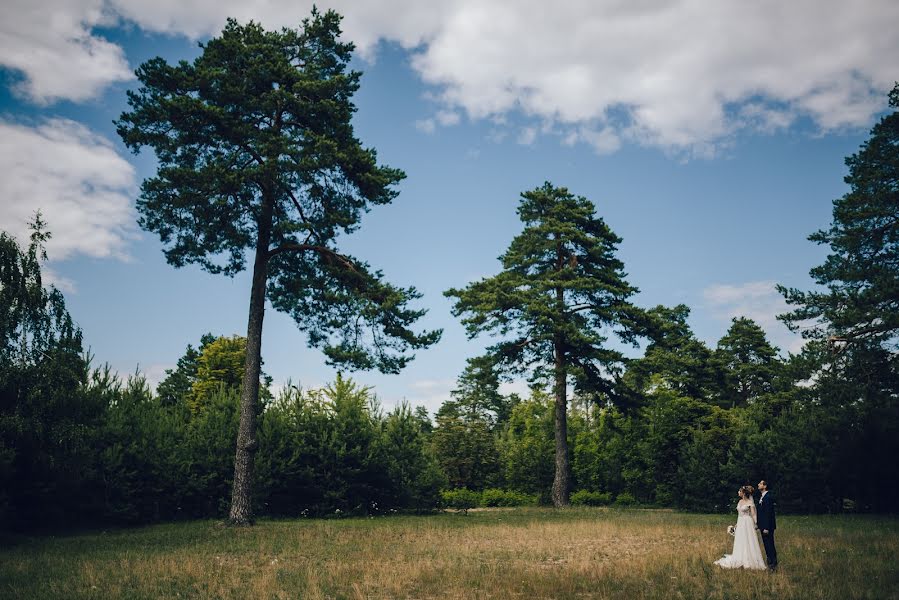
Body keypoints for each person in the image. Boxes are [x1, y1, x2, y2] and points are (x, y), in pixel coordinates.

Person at [714, 485, 767, 570]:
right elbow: (739, 515)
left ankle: (749, 560)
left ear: (744, 493)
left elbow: (753, 514)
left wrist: (757, 523)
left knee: (748, 540)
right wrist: (736, 525)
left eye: (739, 491)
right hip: (741, 522)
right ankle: (739, 558)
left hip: (747, 523)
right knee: (740, 540)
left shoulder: (750, 503)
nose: (738, 492)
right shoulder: (739, 502)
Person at [757, 479, 778, 571]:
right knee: (766, 544)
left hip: (767, 526)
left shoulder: (768, 497)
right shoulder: (762, 497)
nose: (758, 484)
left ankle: (773, 563)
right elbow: (761, 513)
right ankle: (770, 561)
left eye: (760, 483)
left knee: (769, 544)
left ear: (765, 486)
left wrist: (766, 527)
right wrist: (759, 524)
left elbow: (768, 514)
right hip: (763, 526)